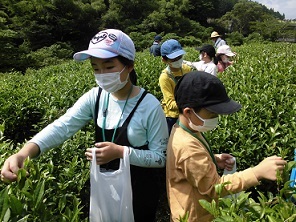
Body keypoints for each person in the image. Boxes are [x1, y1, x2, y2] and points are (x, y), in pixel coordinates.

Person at [1, 29, 169, 222]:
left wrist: (122, 152)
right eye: (95, 68)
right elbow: (63, 126)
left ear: (129, 66)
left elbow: (160, 158)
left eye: (108, 67)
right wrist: (24, 153)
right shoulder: (95, 97)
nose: (102, 74)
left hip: (139, 192)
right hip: (105, 187)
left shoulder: (149, 105)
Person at [166, 71, 287, 222]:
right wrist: (256, 172)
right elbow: (215, 187)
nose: (216, 119)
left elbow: (188, 166)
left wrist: (212, 159)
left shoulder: (185, 130)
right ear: (189, 112)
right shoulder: (187, 147)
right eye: (212, 115)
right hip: (194, 217)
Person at [159, 39, 192, 134]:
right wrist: (189, 103)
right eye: (174, 59)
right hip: (173, 117)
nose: (178, 60)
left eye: (180, 57)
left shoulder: (187, 69)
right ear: (164, 60)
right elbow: (170, 103)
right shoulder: (165, 77)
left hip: (188, 113)